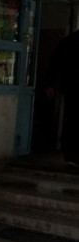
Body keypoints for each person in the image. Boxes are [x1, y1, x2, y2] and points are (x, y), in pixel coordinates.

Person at [44, 29, 79, 166]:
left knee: (71, 120)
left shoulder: (68, 41)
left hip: (71, 87)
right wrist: (51, 83)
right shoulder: (69, 42)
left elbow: (55, 63)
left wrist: (51, 84)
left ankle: (71, 155)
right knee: (72, 120)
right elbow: (56, 63)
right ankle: (72, 155)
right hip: (72, 87)